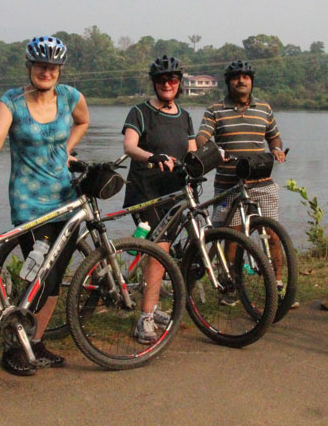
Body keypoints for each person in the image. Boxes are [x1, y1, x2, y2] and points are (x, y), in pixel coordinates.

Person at [0, 35, 89, 376]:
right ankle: (13, 346)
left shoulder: (70, 97)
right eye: (40, 66)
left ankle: (34, 343)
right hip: (29, 203)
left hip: (65, 199)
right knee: (39, 276)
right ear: (30, 67)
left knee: (55, 279)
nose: (46, 71)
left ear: (59, 70)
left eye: (52, 67)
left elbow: (83, 121)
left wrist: (67, 150)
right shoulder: (12, 102)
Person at [195, 60, 287, 300]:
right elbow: (202, 137)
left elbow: (274, 138)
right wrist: (212, 149)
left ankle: (278, 283)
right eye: (236, 77)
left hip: (261, 181)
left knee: (272, 234)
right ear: (228, 82)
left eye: (246, 76)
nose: (241, 80)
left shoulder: (264, 109)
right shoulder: (215, 109)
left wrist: (277, 150)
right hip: (229, 184)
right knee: (232, 236)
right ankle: (232, 286)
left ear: (252, 81)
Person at [121, 55, 196, 343]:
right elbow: (129, 146)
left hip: (174, 193)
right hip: (145, 192)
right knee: (160, 249)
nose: (168, 84)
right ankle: (145, 319)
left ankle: (150, 305)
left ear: (179, 83)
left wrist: (215, 158)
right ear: (154, 83)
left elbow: (191, 151)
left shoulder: (185, 115)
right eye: (162, 80)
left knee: (163, 253)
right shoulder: (139, 112)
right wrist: (153, 156)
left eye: (173, 79)